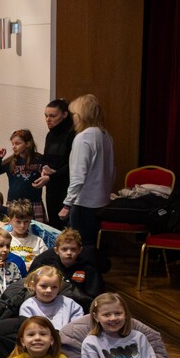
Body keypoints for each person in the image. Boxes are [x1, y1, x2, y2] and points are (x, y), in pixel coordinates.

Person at [62, 94, 116, 249]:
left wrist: (67, 204)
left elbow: (78, 176)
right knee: (92, 244)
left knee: (78, 246)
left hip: (84, 203)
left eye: (73, 114)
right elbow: (112, 171)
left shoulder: (83, 137)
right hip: (101, 201)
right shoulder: (105, 135)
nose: (72, 118)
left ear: (80, 115)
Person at [81, 292, 155, 358]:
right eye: (107, 315)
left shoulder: (139, 337)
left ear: (125, 314)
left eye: (118, 313)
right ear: (96, 317)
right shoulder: (91, 343)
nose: (113, 318)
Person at [41, 99, 76, 225]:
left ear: (64, 114)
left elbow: (72, 164)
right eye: (46, 116)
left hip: (66, 185)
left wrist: (53, 175)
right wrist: (44, 170)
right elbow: (46, 158)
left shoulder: (72, 134)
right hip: (51, 185)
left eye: (52, 116)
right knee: (53, 223)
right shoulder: (50, 135)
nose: (48, 119)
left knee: (65, 225)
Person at [19, 265, 83, 329]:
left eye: (54, 287)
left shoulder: (69, 304)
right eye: (43, 286)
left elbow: (77, 328)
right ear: (33, 285)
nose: (49, 290)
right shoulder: (28, 307)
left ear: (59, 287)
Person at [4, 131, 45, 221]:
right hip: (14, 204)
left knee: (37, 228)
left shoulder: (40, 159)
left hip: (34, 203)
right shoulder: (10, 161)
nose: (14, 147)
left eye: (17, 143)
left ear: (28, 144)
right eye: (12, 144)